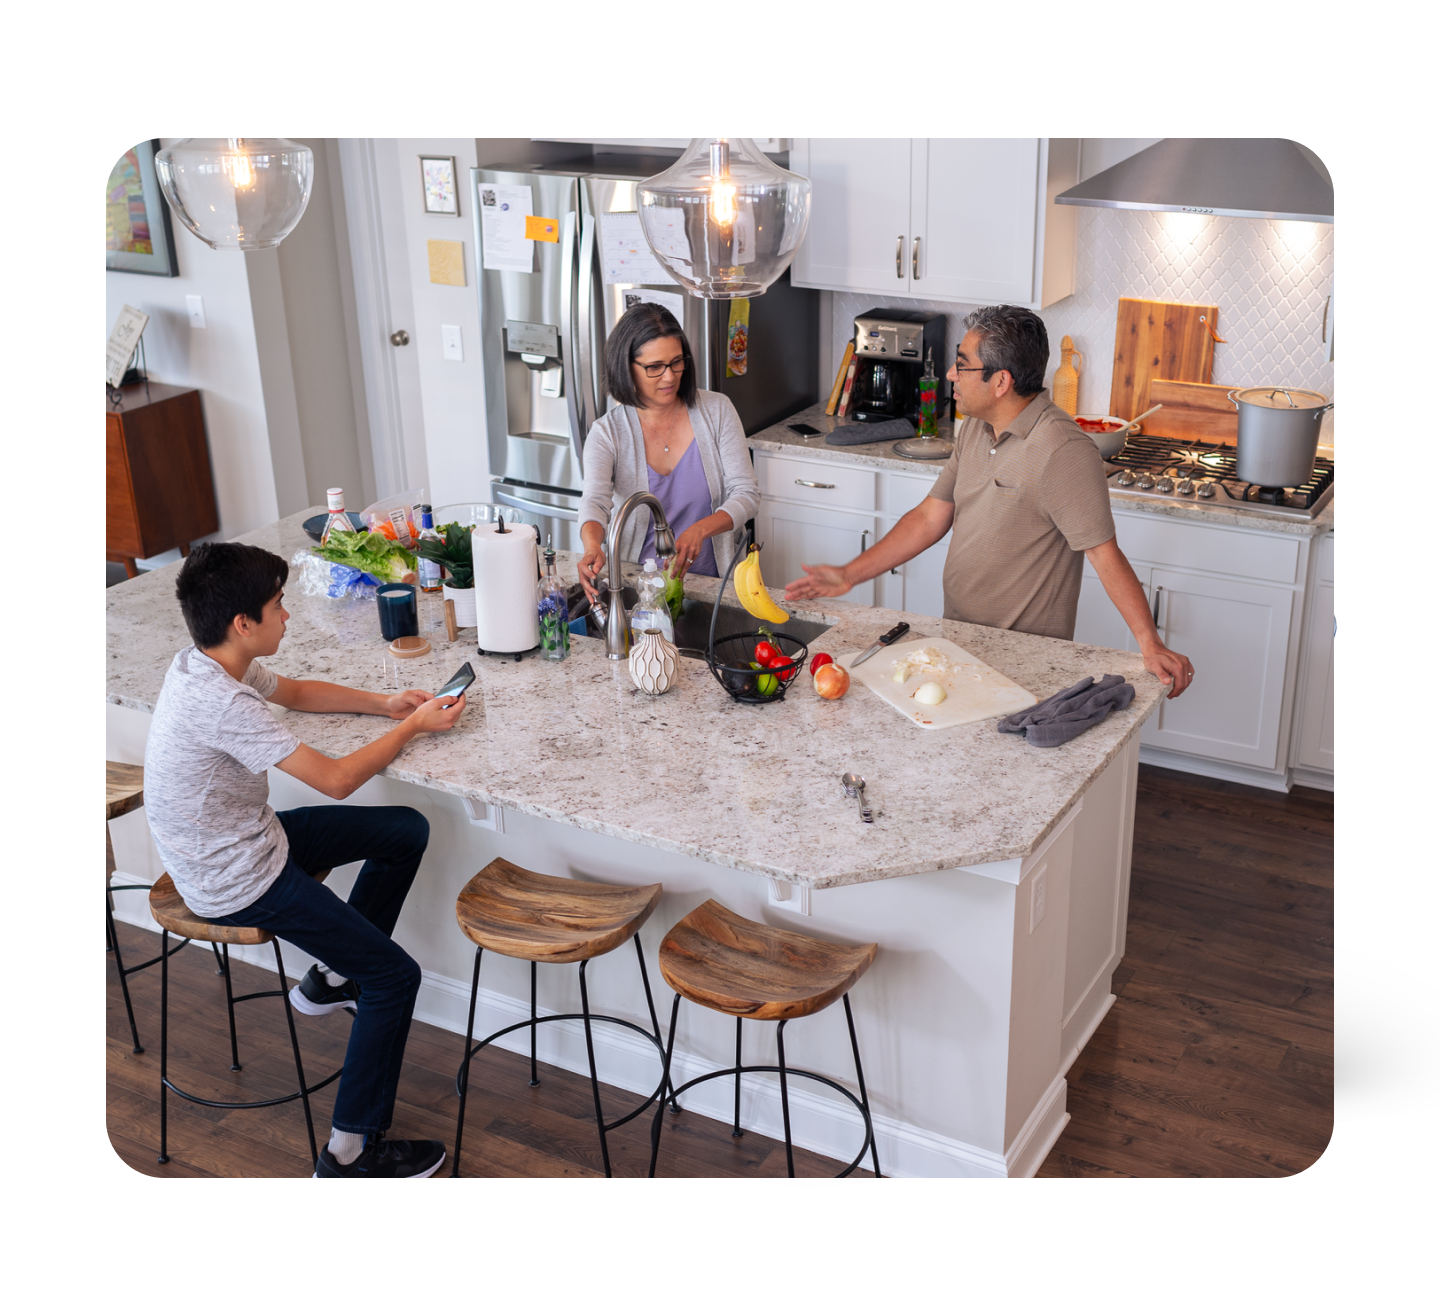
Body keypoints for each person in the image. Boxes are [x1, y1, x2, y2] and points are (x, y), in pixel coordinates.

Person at [144, 542, 466, 1178]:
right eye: (277, 605)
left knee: (404, 830)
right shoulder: (220, 700)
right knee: (395, 979)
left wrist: (387, 704)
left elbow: (291, 692)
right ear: (244, 624)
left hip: (248, 837)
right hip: (233, 877)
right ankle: (350, 1153)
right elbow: (338, 780)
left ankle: (333, 978)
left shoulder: (210, 662)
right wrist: (415, 729)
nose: (286, 616)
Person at [785, 305, 1194, 698]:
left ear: (1001, 382)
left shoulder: (1062, 451)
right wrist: (849, 575)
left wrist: (1149, 642)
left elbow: (1105, 555)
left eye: (962, 364)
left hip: (1024, 658)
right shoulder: (977, 429)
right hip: (959, 641)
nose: (950, 374)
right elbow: (930, 517)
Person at [576, 302, 759, 601]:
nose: (670, 377)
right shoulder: (607, 433)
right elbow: (595, 503)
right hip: (641, 589)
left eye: (676, 362)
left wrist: (701, 529)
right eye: (654, 367)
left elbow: (747, 495)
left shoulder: (717, 410)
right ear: (626, 367)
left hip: (716, 586)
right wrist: (593, 547)